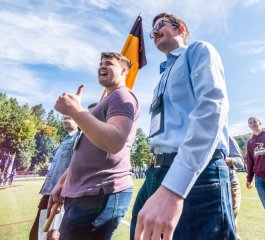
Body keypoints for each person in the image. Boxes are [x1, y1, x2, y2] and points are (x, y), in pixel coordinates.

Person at [131, 13, 236, 240]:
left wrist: (174, 188)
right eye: (152, 30)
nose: (155, 31)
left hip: (196, 174)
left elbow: (212, 108)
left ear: (181, 29)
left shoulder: (198, 50)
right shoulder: (161, 77)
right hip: (156, 172)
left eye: (161, 25)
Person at [47, 52, 139, 240]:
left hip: (100, 193)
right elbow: (86, 150)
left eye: (109, 63)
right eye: (100, 63)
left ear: (123, 71)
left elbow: (114, 142)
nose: (102, 66)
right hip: (83, 193)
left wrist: (75, 110)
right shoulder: (105, 101)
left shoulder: (122, 95)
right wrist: (63, 182)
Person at [29, 116, 79, 240]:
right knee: (37, 235)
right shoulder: (66, 139)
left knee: (52, 235)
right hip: (49, 193)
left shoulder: (79, 137)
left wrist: (64, 190)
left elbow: (76, 165)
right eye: (65, 116)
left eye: (71, 115)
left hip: (61, 196)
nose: (66, 117)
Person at [226, 136, 245, 240]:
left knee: (230, 223)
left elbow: (240, 162)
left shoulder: (228, 138)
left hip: (230, 184)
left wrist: (224, 159)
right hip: (209, 187)